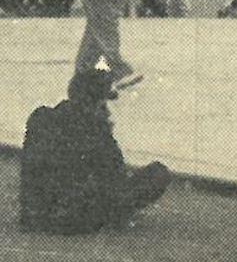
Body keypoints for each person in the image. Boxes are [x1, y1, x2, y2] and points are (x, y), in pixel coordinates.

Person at [19, 68, 170, 234]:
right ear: (96, 103)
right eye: (104, 103)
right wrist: (106, 134)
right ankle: (117, 218)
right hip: (75, 219)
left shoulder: (41, 117)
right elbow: (115, 179)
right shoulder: (97, 130)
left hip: (34, 215)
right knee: (158, 173)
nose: (107, 109)